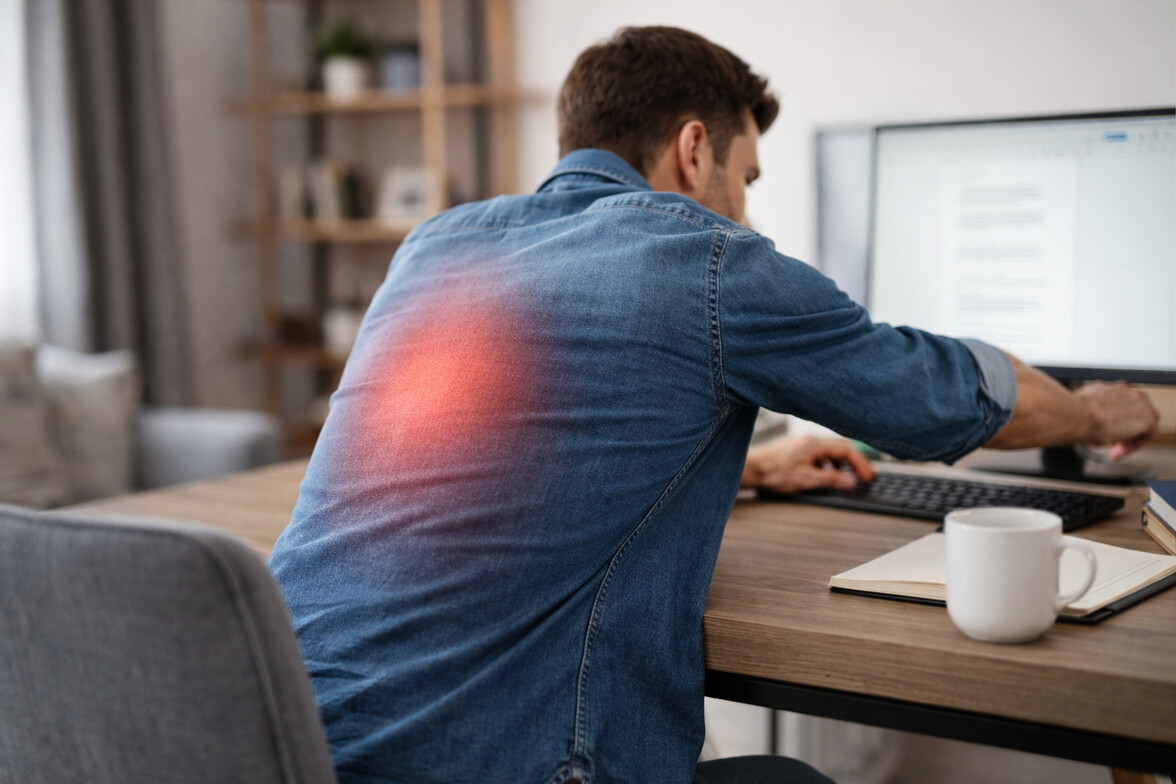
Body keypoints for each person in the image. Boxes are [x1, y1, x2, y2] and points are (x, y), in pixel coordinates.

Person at [268, 26, 1159, 784]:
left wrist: (750, 468)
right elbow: (933, 399)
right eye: (750, 176)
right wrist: (1097, 414)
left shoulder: (438, 246)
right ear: (695, 150)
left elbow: (495, 459)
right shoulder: (706, 261)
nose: (746, 207)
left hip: (287, 745)